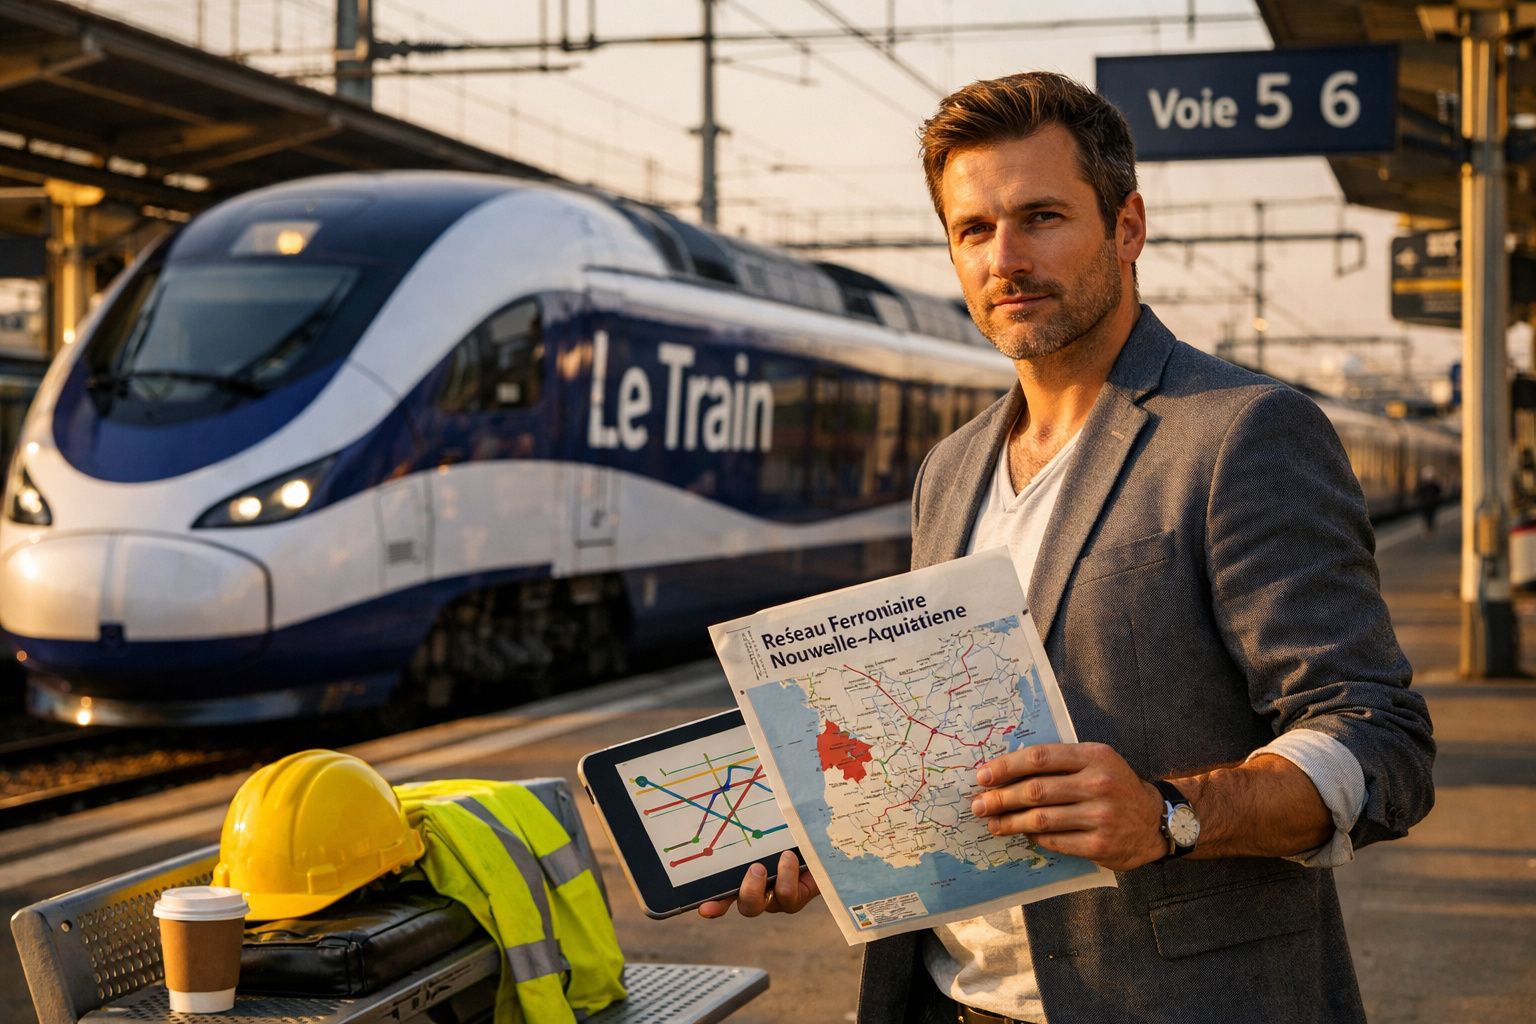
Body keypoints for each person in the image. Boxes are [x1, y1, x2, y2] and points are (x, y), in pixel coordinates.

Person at [699, 71, 1435, 1024]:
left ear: (1127, 227)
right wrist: (832, 838)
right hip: (945, 1001)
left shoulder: (1243, 433)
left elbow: (1380, 739)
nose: (1006, 259)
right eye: (973, 230)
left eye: (1041, 217)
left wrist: (1170, 815)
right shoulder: (949, 470)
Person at [1416, 465, 1443, 535]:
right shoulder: (1431, 485)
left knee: (1429, 517)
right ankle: (1429, 529)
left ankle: (1429, 529)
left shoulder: (1427, 485)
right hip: (1427, 504)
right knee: (1428, 517)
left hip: (1428, 504)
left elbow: (1418, 493)